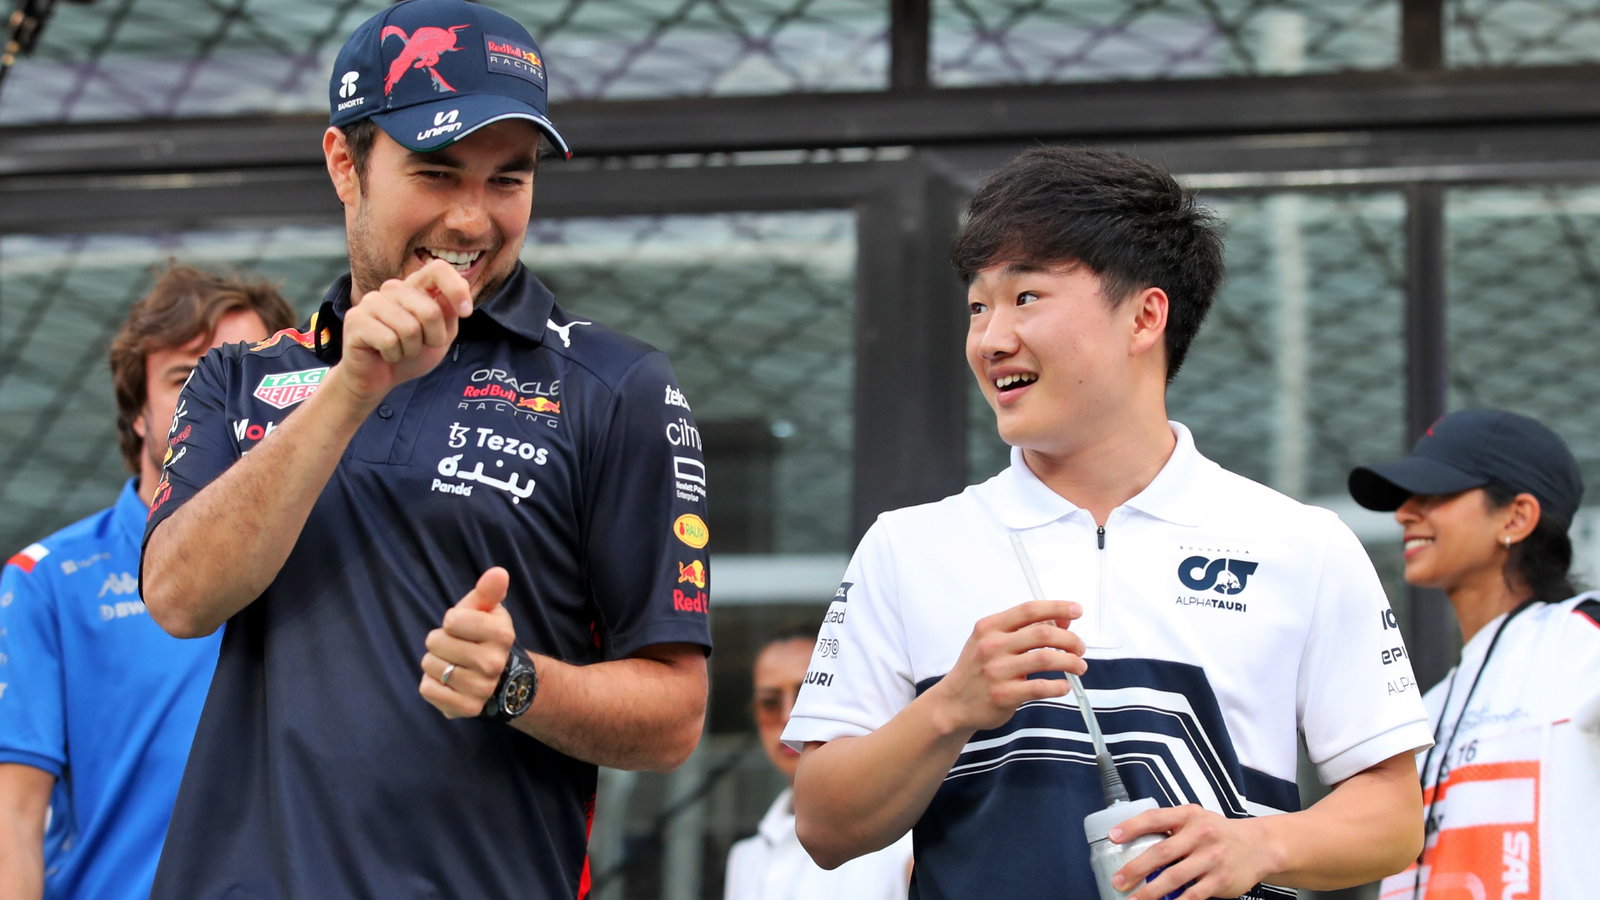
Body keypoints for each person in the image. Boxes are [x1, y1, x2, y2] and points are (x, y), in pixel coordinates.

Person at [136, 1, 712, 896]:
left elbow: (675, 717)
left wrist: (518, 683)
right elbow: (179, 596)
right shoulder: (235, 382)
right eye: (438, 173)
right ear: (344, 164)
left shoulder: (614, 387)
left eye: (509, 181)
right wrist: (352, 387)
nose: (473, 222)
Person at [781, 146, 1435, 900]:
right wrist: (950, 707)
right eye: (978, 306)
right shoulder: (907, 547)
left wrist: (1259, 844)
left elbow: (1392, 816)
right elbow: (825, 825)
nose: (992, 339)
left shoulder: (1301, 545)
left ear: (1145, 316)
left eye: (1026, 297)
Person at [0, 263, 293, 900]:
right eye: (187, 378)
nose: (222, 396)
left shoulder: (339, 555)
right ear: (137, 412)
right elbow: (12, 824)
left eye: (248, 373)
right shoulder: (44, 583)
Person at [1347, 408, 1600, 900]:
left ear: (1517, 516)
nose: (1404, 513)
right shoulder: (1430, 705)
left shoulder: (1582, 642)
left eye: (1435, 493)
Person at [724, 628, 912, 900]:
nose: (789, 716)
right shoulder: (745, 859)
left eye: (806, 693)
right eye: (769, 703)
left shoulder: (906, 840)